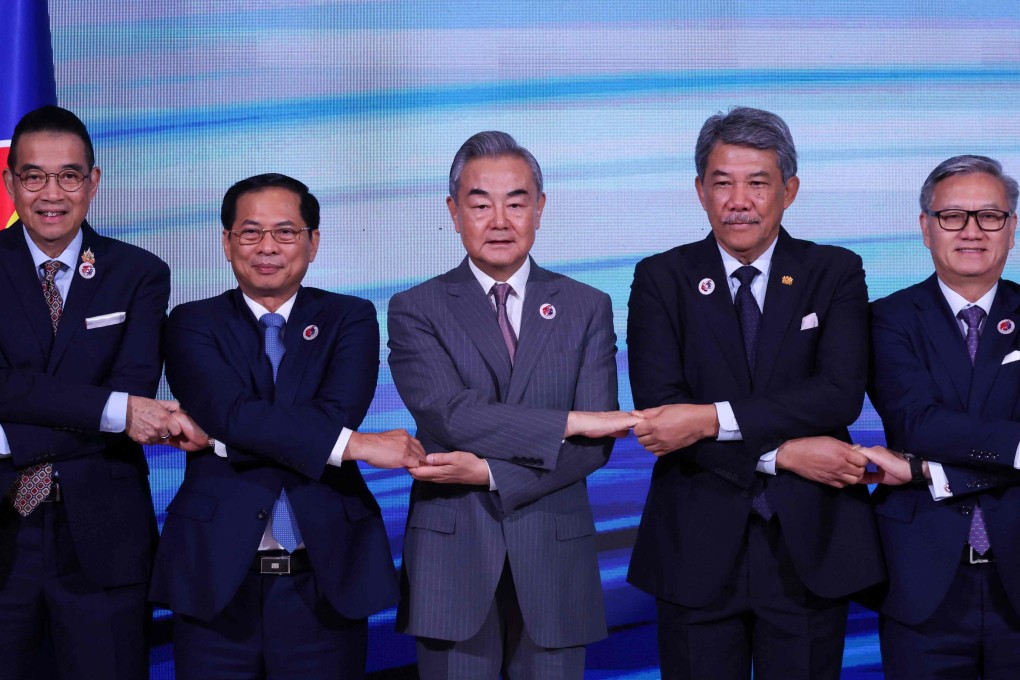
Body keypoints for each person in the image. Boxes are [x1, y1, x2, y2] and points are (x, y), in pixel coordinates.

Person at [626, 106, 884, 680]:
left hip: (809, 547)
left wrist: (711, 417)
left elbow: (839, 395)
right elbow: (664, 416)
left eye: (757, 183)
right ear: (700, 190)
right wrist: (782, 453)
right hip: (694, 545)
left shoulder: (834, 272)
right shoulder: (660, 278)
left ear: (789, 190)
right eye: (722, 183)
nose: (738, 200)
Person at [149, 173, 426, 680]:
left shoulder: (351, 317)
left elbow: (330, 416)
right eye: (250, 233)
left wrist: (215, 439)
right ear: (227, 243)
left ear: (313, 242)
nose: (267, 247)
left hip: (323, 581)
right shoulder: (191, 322)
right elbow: (229, 411)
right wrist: (354, 446)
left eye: (286, 232)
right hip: (216, 583)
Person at [387, 131, 636, 679]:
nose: (499, 220)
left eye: (516, 202)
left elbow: (595, 447)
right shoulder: (416, 308)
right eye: (480, 203)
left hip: (555, 554)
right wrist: (568, 422)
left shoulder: (586, 306)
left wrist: (490, 472)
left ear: (540, 209)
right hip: (452, 561)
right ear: (453, 212)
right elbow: (450, 414)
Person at [0, 105, 178, 679]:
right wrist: (111, 411)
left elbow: (133, 391)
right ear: (9, 182)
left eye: (69, 175)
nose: (52, 193)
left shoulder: (139, 273)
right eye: (33, 176)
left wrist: (6, 434)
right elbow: (121, 410)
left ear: (93, 182)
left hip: (103, 538)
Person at [862, 155, 1020, 678]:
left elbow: (930, 446)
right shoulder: (887, 319)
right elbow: (917, 424)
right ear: (926, 228)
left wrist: (930, 471)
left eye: (989, 216)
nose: (971, 231)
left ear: (1012, 228)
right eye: (952, 216)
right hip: (921, 578)